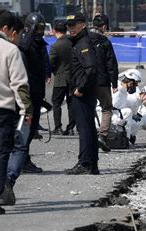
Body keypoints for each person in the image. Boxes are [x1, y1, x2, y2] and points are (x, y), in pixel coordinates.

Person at [0, 10, 32, 214]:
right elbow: (19, 84)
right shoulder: (10, 50)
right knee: (0, 152)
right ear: (6, 29)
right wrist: (26, 110)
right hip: (0, 109)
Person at [10, 12, 51, 174]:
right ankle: (22, 160)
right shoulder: (25, 44)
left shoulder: (38, 43)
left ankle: (22, 159)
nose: (41, 32)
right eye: (38, 28)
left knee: (30, 129)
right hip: (27, 92)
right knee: (24, 129)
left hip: (36, 91)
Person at [64, 13, 99, 175]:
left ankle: (85, 163)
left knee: (84, 129)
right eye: (68, 25)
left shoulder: (83, 43)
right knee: (88, 128)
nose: (70, 28)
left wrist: (81, 89)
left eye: (74, 25)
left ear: (83, 25)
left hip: (82, 93)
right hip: (84, 92)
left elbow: (91, 70)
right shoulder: (79, 42)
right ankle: (91, 163)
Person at [89, 14, 119, 152]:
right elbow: (111, 65)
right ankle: (102, 135)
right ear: (104, 27)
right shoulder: (105, 42)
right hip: (102, 81)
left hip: (86, 81)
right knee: (107, 108)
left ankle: (88, 136)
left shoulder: (84, 40)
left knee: (88, 108)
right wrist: (114, 84)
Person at [50, 19, 75, 136]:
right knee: (71, 103)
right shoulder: (73, 42)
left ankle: (58, 127)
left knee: (56, 103)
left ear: (54, 30)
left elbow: (51, 63)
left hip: (60, 78)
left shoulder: (55, 46)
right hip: (72, 78)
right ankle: (70, 128)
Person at [109, 69, 142, 144]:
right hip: (112, 121)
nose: (135, 86)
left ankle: (128, 138)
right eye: (135, 84)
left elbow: (120, 108)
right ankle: (126, 140)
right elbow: (109, 110)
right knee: (128, 112)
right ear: (130, 81)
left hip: (116, 119)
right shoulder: (118, 92)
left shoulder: (123, 90)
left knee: (138, 121)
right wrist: (118, 121)